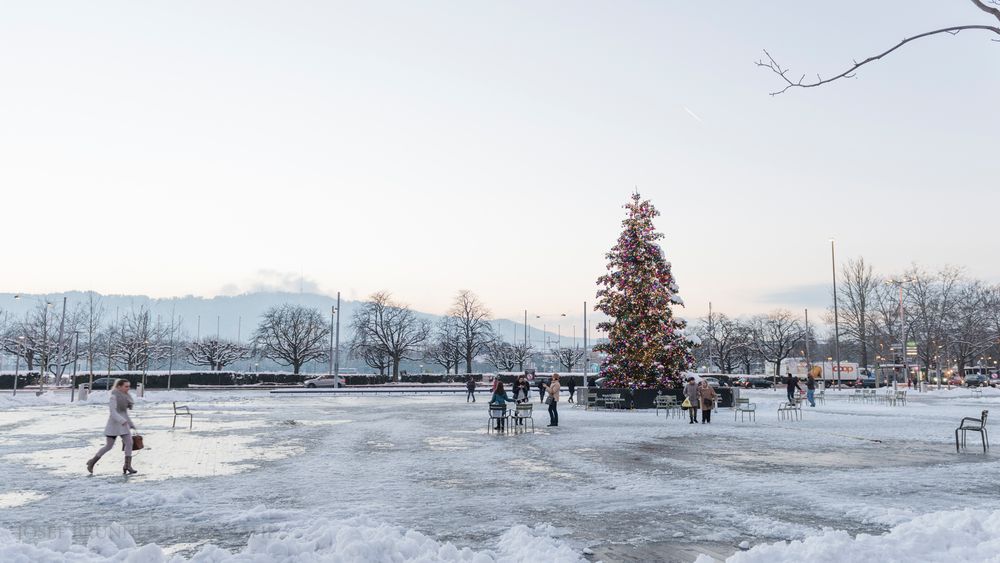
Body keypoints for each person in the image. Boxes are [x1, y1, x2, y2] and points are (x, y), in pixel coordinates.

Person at [86, 379, 138, 475]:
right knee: (109, 446)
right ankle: (92, 462)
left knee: (129, 442)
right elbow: (113, 412)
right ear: (119, 387)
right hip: (114, 425)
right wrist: (122, 420)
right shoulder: (113, 397)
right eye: (126, 386)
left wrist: (130, 423)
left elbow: (124, 412)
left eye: (128, 386)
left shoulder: (126, 397)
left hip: (124, 425)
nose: (128, 388)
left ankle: (127, 465)